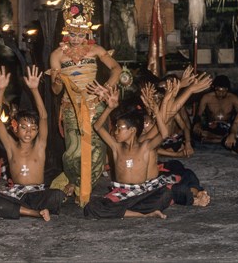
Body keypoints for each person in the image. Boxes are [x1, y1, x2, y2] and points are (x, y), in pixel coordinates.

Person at [83, 78, 211, 219]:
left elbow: (165, 129)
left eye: (120, 128)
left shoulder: (145, 145)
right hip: (123, 193)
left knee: (168, 191)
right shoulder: (116, 147)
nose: (115, 132)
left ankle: (192, 195)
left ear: (132, 130)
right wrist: (109, 107)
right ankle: (143, 215)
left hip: (144, 192)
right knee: (91, 208)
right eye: (116, 128)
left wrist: (164, 103)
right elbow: (97, 127)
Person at [49, 0, 122, 206]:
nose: (77, 38)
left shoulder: (97, 50)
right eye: (72, 33)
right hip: (71, 107)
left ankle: (81, 188)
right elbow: (55, 91)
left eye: (81, 34)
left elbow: (117, 69)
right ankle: (72, 179)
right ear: (66, 30)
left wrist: (106, 87)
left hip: (95, 105)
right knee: (72, 152)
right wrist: (57, 81)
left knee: (97, 151)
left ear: (87, 31)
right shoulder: (57, 56)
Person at [0, 66, 63, 221]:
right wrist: (1, 90)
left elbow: (44, 118)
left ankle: (25, 210)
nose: (28, 132)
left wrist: (34, 90)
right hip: (17, 195)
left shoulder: (40, 146)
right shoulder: (11, 147)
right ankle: (34, 213)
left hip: (37, 194)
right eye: (24, 127)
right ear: (15, 129)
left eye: (33, 128)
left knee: (57, 195)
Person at [193, 75, 238, 143]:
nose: (221, 94)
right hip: (211, 127)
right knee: (197, 133)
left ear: (227, 89)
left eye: (224, 91)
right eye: (218, 91)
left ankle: (217, 139)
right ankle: (223, 139)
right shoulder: (207, 98)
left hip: (227, 127)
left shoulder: (234, 99)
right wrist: (197, 124)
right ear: (214, 88)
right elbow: (198, 115)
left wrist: (233, 128)